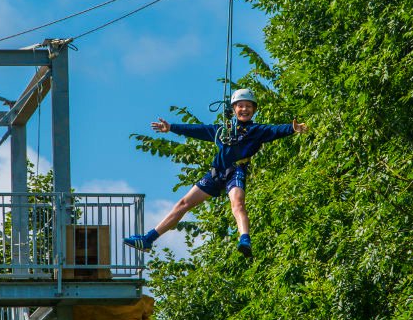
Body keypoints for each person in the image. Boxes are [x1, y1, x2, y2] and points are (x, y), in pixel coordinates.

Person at [124, 89, 309, 258]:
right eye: (241, 106)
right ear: (234, 109)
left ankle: (244, 238)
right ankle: (148, 239)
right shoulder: (221, 130)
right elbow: (197, 130)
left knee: (238, 204)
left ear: (253, 110)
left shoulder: (257, 131)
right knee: (183, 203)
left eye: (248, 106)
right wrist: (171, 127)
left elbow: (275, 130)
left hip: (235, 172)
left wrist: (293, 129)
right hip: (215, 173)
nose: (245, 109)